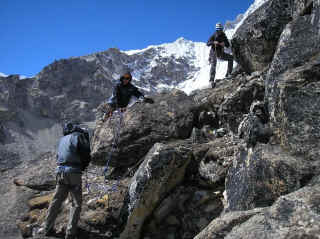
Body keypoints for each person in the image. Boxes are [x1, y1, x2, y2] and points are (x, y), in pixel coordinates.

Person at [41, 122, 91, 239]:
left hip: (60, 172)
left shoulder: (63, 139)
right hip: (73, 173)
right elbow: (85, 154)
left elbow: (58, 156)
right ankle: (70, 232)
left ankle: (47, 227)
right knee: (76, 203)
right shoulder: (78, 136)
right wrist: (83, 166)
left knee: (56, 200)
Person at [207, 23, 233, 88]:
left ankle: (228, 74)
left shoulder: (223, 36)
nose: (219, 31)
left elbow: (227, 45)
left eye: (220, 30)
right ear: (216, 30)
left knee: (231, 58)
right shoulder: (214, 35)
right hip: (213, 53)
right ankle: (211, 80)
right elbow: (207, 43)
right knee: (213, 65)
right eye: (218, 30)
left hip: (220, 53)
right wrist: (213, 42)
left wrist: (224, 44)